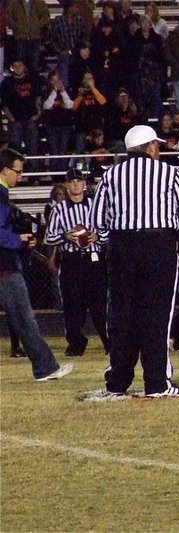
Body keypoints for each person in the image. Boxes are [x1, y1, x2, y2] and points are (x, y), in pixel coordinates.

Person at [90, 125, 179, 397]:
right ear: (149, 146)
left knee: (121, 314)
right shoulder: (169, 173)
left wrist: (117, 237)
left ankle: (118, 381)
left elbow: (97, 221)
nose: (158, 150)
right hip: (158, 246)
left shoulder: (111, 175)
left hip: (122, 247)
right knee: (157, 315)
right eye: (156, 145)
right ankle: (157, 382)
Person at [0, 148, 74, 381]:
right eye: (18, 171)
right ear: (4, 170)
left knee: (22, 318)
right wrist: (19, 240)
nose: (20, 176)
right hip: (5, 267)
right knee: (23, 318)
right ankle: (46, 368)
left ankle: (45, 367)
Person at [44, 166, 109, 357]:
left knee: (100, 303)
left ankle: (109, 342)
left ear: (84, 184)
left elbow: (109, 229)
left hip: (93, 259)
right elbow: (49, 237)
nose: (75, 185)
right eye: (71, 181)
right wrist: (65, 236)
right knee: (72, 304)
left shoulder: (95, 205)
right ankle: (76, 342)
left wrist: (97, 236)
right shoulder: (59, 210)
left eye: (79, 181)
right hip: (71, 260)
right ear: (66, 185)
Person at [0, 60, 42, 170]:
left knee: (33, 148)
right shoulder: (7, 83)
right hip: (15, 120)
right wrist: (11, 118)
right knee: (15, 150)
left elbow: (38, 97)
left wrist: (38, 114)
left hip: (30, 118)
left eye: (20, 65)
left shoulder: (32, 80)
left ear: (24, 67)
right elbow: (4, 103)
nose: (18, 68)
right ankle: (15, 172)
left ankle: (34, 174)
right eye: (15, 66)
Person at [42, 71, 75, 175]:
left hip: (65, 125)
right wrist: (54, 92)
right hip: (51, 126)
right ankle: (54, 174)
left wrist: (63, 92)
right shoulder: (46, 92)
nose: (56, 82)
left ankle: (63, 173)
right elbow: (47, 106)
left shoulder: (66, 91)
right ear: (49, 81)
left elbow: (70, 105)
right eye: (53, 80)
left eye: (57, 80)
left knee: (63, 150)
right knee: (54, 150)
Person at [6, 0, 49, 74]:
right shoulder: (14, 3)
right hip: (20, 38)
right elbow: (8, 18)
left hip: (35, 38)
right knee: (20, 63)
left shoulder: (39, 3)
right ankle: (20, 80)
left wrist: (37, 26)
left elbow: (46, 18)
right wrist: (17, 27)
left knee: (34, 63)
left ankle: (33, 80)